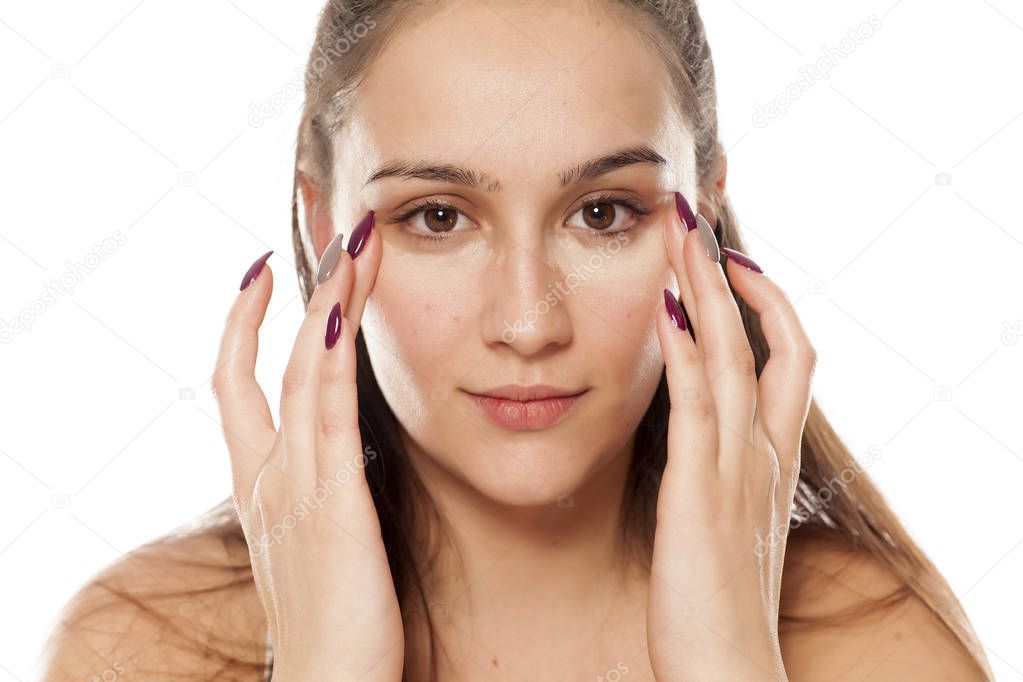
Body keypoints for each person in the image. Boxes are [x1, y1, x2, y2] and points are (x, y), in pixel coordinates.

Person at [39, 1, 993, 679]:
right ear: (324, 220)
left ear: (699, 215)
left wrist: (729, 665)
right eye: (439, 218)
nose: (528, 323)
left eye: (605, 212)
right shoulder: (138, 652)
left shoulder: (880, 652)